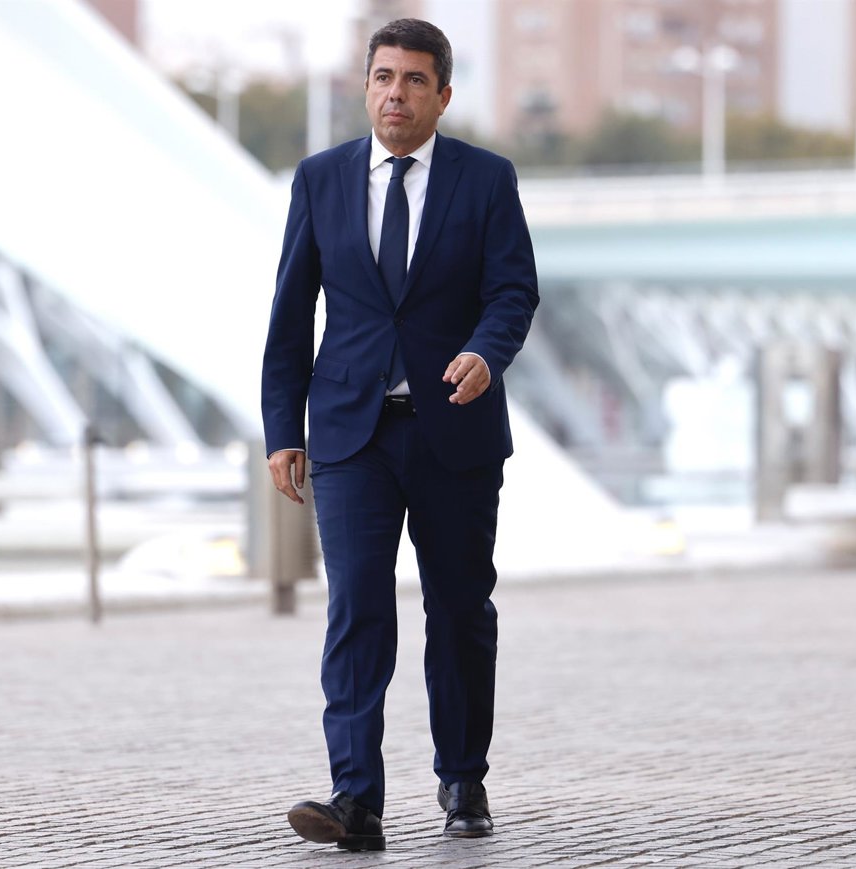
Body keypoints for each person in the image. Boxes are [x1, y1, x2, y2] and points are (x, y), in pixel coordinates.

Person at [260, 18, 539, 851]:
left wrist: (486, 352)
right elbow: (290, 314)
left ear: (442, 95)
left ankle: (463, 777)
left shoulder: (486, 180)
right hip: (352, 435)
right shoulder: (321, 179)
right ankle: (356, 799)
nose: (396, 94)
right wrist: (282, 429)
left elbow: (513, 290)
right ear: (366, 87)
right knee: (356, 606)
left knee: (458, 610)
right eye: (384, 77)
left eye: (415, 80)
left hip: (455, 429)